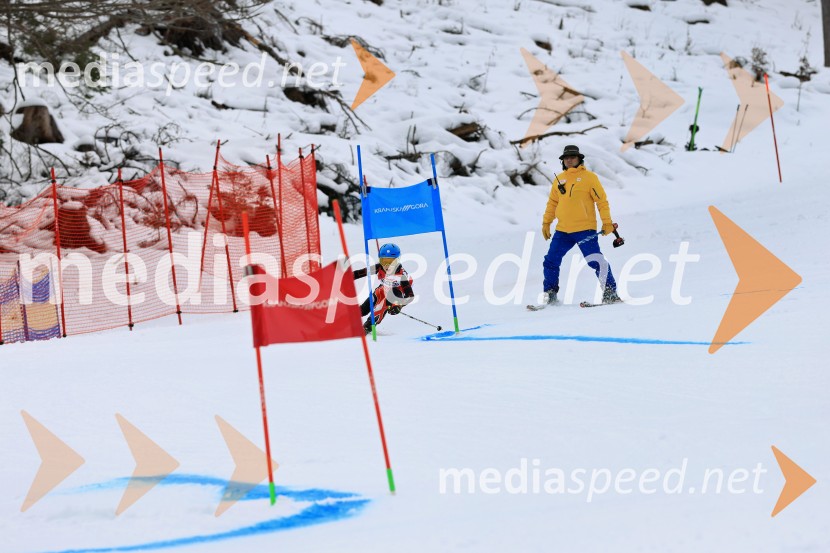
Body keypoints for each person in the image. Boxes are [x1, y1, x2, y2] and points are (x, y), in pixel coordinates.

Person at [540, 145, 620, 305]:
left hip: (585, 229)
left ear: (579, 159)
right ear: (563, 161)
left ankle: (610, 292)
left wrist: (607, 222)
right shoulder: (559, 180)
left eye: (572, 157)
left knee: (595, 260)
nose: (569, 160)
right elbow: (552, 203)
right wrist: (546, 222)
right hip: (563, 231)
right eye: (566, 158)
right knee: (550, 261)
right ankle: (550, 294)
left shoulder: (589, 178)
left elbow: (601, 202)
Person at [353, 243, 415, 334]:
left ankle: (368, 326)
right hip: (384, 288)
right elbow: (360, 273)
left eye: (391, 262)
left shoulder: (401, 276)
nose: (386, 266)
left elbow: (410, 296)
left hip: (397, 293)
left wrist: (399, 306)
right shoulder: (379, 267)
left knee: (382, 305)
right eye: (384, 261)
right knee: (368, 304)